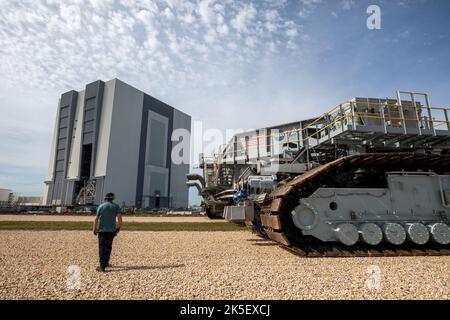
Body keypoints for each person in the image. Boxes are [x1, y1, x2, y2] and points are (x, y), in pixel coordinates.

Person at [93, 192, 122, 272]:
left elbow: (96, 219)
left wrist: (94, 229)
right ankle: (106, 263)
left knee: (102, 247)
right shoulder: (116, 206)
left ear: (105, 198)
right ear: (113, 198)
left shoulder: (101, 206)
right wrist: (119, 227)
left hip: (102, 230)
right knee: (108, 247)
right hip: (111, 230)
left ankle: (102, 266)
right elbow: (119, 218)